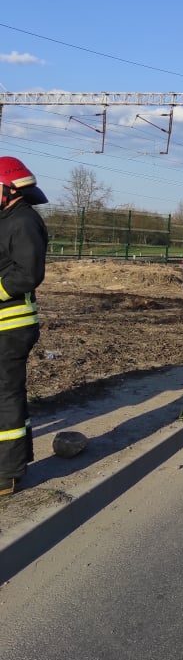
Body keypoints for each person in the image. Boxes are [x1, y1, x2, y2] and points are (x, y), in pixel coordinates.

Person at [0, 157, 49, 497]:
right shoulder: (8, 219)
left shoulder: (24, 221)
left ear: (9, 188)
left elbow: (28, 274)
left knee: (6, 397)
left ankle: (8, 475)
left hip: (11, 326)